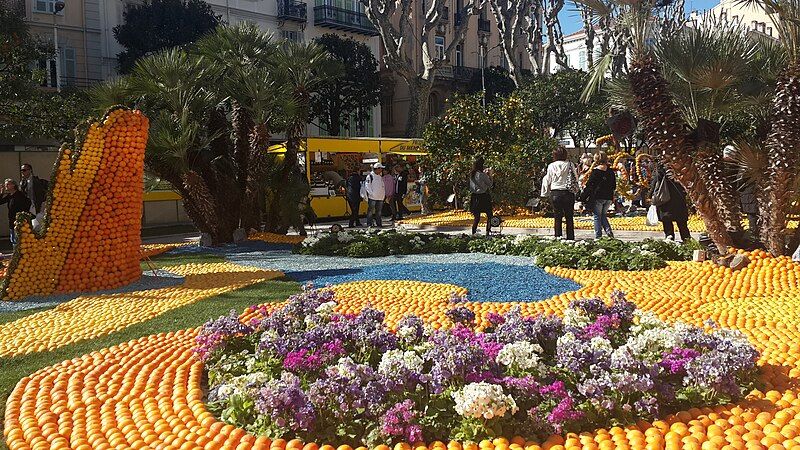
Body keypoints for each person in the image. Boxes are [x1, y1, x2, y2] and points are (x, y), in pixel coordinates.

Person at [541, 146, 579, 240]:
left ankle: (558, 237)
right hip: (568, 192)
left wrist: (545, 193)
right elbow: (575, 177)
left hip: (555, 192)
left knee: (557, 216)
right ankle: (570, 238)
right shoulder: (570, 164)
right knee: (569, 217)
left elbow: (548, 179)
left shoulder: (551, 166)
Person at [650, 163, 691, 241]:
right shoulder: (679, 170)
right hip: (678, 200)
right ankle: (686, 238)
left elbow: (655, 184)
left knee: (667, 222)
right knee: (682, 223)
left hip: (665, 200)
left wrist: (650, 195)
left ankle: (670, 237)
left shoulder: (660, 171)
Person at [580, 151, 616, 239]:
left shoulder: (595, 172)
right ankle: (608, 231)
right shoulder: (610, 171)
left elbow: (590, 185)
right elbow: (614, 185)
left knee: (597, 216)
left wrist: (583, 195)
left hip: (598, 197)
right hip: (608, 197)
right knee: (603, 215)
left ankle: (598, 236)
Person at [1, 179, 32, 247]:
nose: (6, 186)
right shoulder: (9, 196)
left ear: (13, 185)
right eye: (5, 184)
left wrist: (23, 215)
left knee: (19, 241)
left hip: (20, 222)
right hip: (12, 221)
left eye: (8, 184)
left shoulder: (20, 194)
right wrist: (2, 193)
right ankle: (16, 255)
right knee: (13, 240)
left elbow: (28, 203)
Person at [468, 156, 494, 235]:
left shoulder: (472, 174)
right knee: (489, 215)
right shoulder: (482, 175)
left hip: (474, 197)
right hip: (483, 197)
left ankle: (473, 232)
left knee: (477, 217)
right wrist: (490, 175)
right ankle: (487, 232)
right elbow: (490, 185)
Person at [365, 162, 386, 227]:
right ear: (377, 169)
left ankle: (379, 223)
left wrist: (383, 195)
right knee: (370, 211)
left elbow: (382, 186)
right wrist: (372, 194)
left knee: (379, 212)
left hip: (380, 197)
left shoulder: (380, 176)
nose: (381, 170)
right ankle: (369, 224)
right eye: (380, 169)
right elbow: (367, 186)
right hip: (373, 197)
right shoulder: (370, 176)